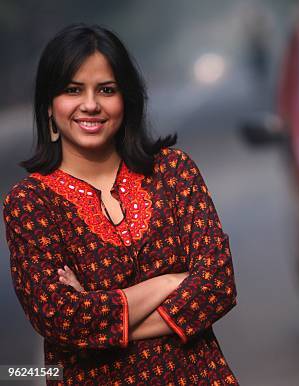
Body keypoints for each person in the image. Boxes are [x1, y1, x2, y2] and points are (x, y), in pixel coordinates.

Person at [3, 24, 238, 385]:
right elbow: (61, 318)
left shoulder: (173, 172)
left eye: (106, 90)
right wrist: (170, 283)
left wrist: (101, 323)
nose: (91, 104)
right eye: (72, 90)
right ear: (49, 106)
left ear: (126, 99)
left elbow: (217, 284)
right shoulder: (30, 204)